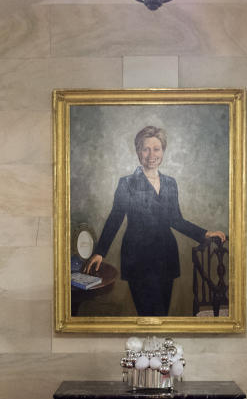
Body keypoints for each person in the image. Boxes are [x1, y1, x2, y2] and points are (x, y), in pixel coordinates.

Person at [85, 125, 226, 316]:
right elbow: (115, 217)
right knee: (148, 316)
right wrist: (100, 252)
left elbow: (176, 220)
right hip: (137, 259)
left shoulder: (170, 183)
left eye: (156, 149)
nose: (151, 154)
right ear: (138, 152)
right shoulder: (126, 183)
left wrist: (204, 233)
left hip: (166, 257)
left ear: (163, 152)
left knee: (162, 316)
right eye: (146, 149)